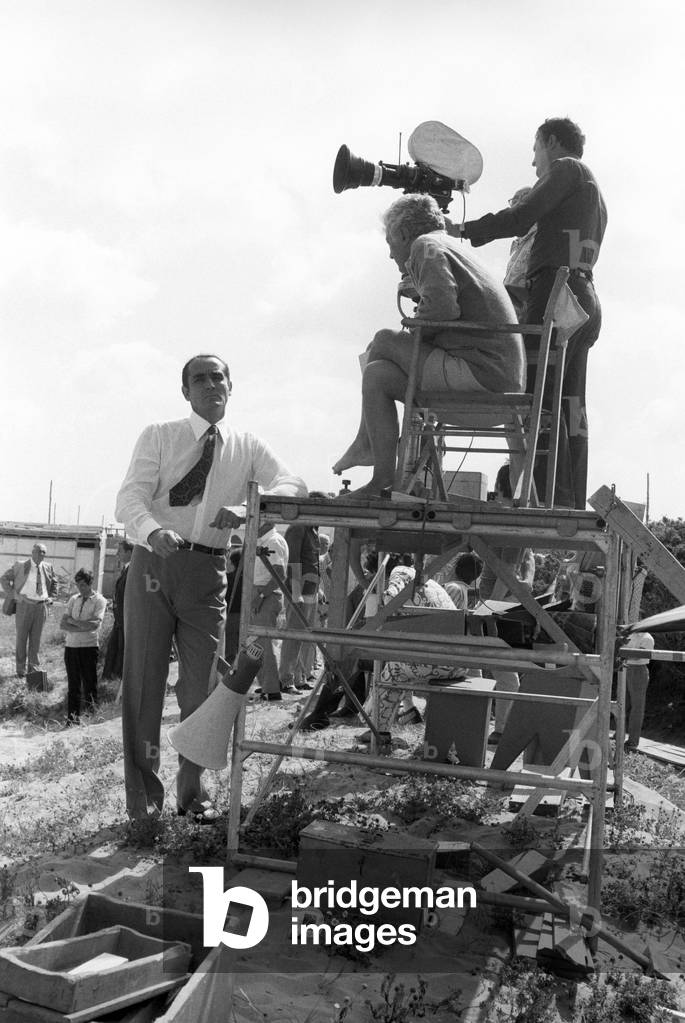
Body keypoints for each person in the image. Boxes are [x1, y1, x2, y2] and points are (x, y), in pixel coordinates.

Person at [115, 353, 306, 824]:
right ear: (185, 391)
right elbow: (130, 496)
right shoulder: (160, 435)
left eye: (218, 376)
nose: (210, 384)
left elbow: (294, 484)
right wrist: (151, 529)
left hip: (208, 569)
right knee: (145, 683)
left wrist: (251, 507)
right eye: (199, 378)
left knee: (202, 685)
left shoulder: (247, 445)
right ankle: (144, 802)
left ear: (230, 386)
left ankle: (191, 791)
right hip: (154, 563)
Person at [452, 117, 607, 508]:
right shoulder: (592, 188)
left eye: (535, 149)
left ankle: (539, 499)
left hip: (557, 293)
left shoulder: (566, 169)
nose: (534, 162)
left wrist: (463, 230)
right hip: (581, 295)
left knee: (536, 397)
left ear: (552, 142)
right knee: (569, 405)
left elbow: (522, 216)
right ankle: (565, 501)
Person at [332, 193, 525, 498]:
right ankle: (381, 478)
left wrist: (413, 324)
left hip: (482, 375)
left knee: (382, 340)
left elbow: (443, 309)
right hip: (497, 378)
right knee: (377, 374)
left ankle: (366, 443)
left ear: (403, 234)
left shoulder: (425, 246)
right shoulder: (450, 247)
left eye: (390, 244)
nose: (391, 256)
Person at [279, 512, 323, 693]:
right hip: (299, 592)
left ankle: (299, 677)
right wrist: (296, 593)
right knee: (294, 636)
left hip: (311, 591)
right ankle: (285, 679)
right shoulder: (297, 528)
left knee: (304, 637)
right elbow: (293, 562)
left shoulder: (312, 530)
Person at [1, 544, 58, 678]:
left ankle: (33, 670)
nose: (41, 554)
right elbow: (3, 579)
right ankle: (20, 671)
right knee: (22, 638)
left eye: (43, 552)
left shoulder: (48, 567)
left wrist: (52, 597)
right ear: (32, 552)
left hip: (41, 607)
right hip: (24, 605)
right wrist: (15, 595)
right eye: (38, 551)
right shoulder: (21, 565)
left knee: (35, 640)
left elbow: (55, 582)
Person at [60, 569, 107, 723]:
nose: (80, 588)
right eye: (78, 584)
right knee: (73, 686)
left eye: (82, 585)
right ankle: (72, 719)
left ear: (90, 583)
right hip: (71, 647)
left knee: (89, 684)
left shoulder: (100, 600)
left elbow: (94, 625)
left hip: (89, 647)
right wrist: (81, 625)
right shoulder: (74, 599)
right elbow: (63, 624)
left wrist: (73, 622)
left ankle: (91, 719)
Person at [251, 524, 289, 701]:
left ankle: (272, 688)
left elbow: (279, 574)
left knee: (264, 642)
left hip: (266, 595)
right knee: (258, 642)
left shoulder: (273, 542)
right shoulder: (266, 541)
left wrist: (260, 595)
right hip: (262, 593)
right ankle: (266, 684)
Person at [502, 187, 537, 320]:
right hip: (516, 315)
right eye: (513, 201)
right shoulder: (519, 243)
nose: (512, 207)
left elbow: (523, 287)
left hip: (530, 315)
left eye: (517, 200)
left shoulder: (539, 237)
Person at [102, 539, 133, 681]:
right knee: (114, 651)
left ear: (129, 552)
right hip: (119, 620)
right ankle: (110, 681)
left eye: (120, 551)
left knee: (121, 652)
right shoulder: (126, 569)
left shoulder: (133, 572)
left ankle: (117, 683)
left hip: (125, 621)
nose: (116, 554)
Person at [624, 630, 655, 752]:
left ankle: (633, 741)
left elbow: (637, 656)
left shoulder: (647, 638)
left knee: (637, 707)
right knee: (622, 703)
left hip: (638, 670)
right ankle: (619, 735)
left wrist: (621, 654)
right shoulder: (631, 635)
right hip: (626, 668)